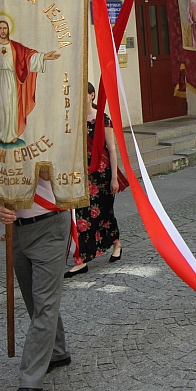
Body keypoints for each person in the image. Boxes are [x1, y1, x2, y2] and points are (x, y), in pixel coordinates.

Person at [0, 174, 72, 391]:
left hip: (50, 224)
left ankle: (30, 380)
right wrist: (0, 207)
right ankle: (57, 350)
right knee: (33, 299)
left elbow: (53, 173)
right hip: (18, 229)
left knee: (44, 302)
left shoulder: (50, 146)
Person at [64, 83, 125, 277]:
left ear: (92, 95)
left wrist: (114, 178)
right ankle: (82, 259)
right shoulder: (74, 120)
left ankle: (116, 243)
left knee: (105, 212)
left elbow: (112, 149)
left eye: (84, 93)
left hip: (102, 174)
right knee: (82, 216)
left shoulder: (102, 119)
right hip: (83, 175)